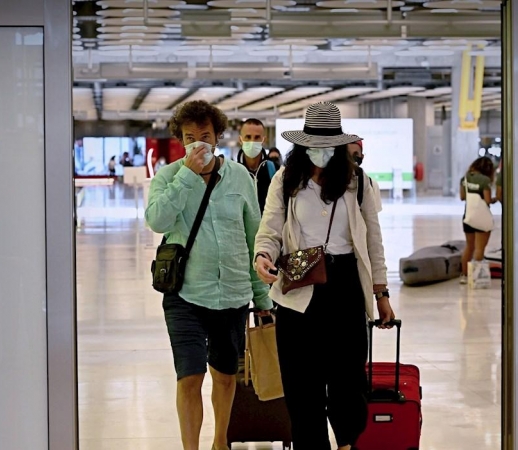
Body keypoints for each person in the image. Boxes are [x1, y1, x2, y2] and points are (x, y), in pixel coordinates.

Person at [253, 102, 396, 450]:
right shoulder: (285, 180)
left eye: (328, 145)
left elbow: (372, 240)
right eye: (314, 145)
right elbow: (270, 229)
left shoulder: (358, 182)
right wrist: (262, 256)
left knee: (348, 383)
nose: (321, 153)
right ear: (302, 146)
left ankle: (346, 441)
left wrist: (381, 293)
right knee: (302, 387)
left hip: (345, 286)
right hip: (299, 287)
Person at [145, 100, 272, 450]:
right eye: (189, 137)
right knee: (190, 376)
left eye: (204, 135)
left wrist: (262, 298)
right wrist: (187, 175)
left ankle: (220, 443)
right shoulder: (169, 177)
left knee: (226, 376)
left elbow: (254, 237)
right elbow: (157, 220)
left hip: (231, 292)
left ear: (217, 136)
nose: (197, 142)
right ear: (180, 139)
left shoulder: (240, 179)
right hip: (184, 293)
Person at [459, 156, 496, 285]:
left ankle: (464, 276)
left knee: (469, 247)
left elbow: (462, 197)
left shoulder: (465, 178)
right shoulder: (485, 180)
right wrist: (495, 199)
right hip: (481, 218)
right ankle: (475, 278)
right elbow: (487, 201)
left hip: (468, 217)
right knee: (479, 249)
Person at [236, 118, 279, 214]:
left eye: (257, 137)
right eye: (248, 137)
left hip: (269, 227)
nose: (252, 141)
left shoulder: (275, 170)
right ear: (240, 140)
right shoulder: (232, 172)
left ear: (264, 140)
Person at [347, 139, 383, 212]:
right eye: (348, 155)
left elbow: (372, 218)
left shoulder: (372, 185)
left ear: (362, 157)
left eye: (355, 155)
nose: (351, 159)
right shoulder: (332, 183)